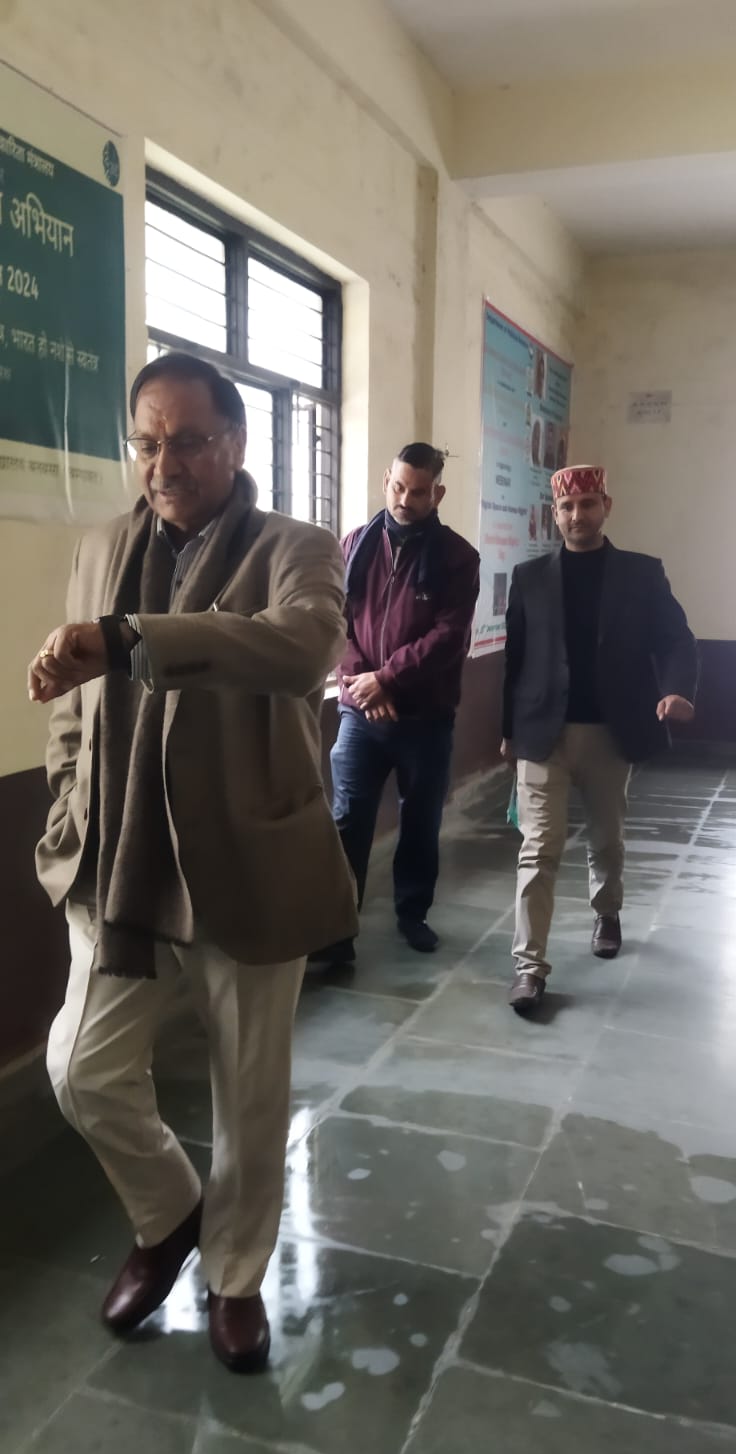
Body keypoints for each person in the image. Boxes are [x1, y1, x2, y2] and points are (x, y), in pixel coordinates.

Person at [28, 352, 357, 1371]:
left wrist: (129, 638)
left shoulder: (296, 549)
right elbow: (72, 708)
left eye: (189, 441)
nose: (164, 464)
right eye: (147, 442)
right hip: (120, 863)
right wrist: (69, 798)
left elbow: (301, 649)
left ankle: (236, 1276)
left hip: (249, 861)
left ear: (237, 443)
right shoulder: (101, 548)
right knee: (80, 1069)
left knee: (249, 1094)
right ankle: (170, 1213)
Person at [501, 463, 697, 1014]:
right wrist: (507, 733)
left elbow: (677, 640)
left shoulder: (642, 574)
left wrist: (677, 690)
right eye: (567, 507)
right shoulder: (529, 577)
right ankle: (529, 967)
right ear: (554, 513)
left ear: (606, 506)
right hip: (543, 732)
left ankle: (606, 911)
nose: (577, 515)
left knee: (606, 838)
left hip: (611, 731)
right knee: (538, 849)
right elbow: (515, 661)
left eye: (587, 504)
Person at [310, 444, 480, 965]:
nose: (405, 500)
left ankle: (413, 914)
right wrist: (363, 683)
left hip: (425, 718)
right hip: (360, 713)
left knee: (420, 821)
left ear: (438, 494)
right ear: (387, 479)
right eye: (399, 487)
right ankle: (336, 929)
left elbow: (449, 637)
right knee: (348, 819)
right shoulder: (353, 544)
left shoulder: (458, 558)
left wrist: (386, 680)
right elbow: (336, 621)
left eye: (419, 492)